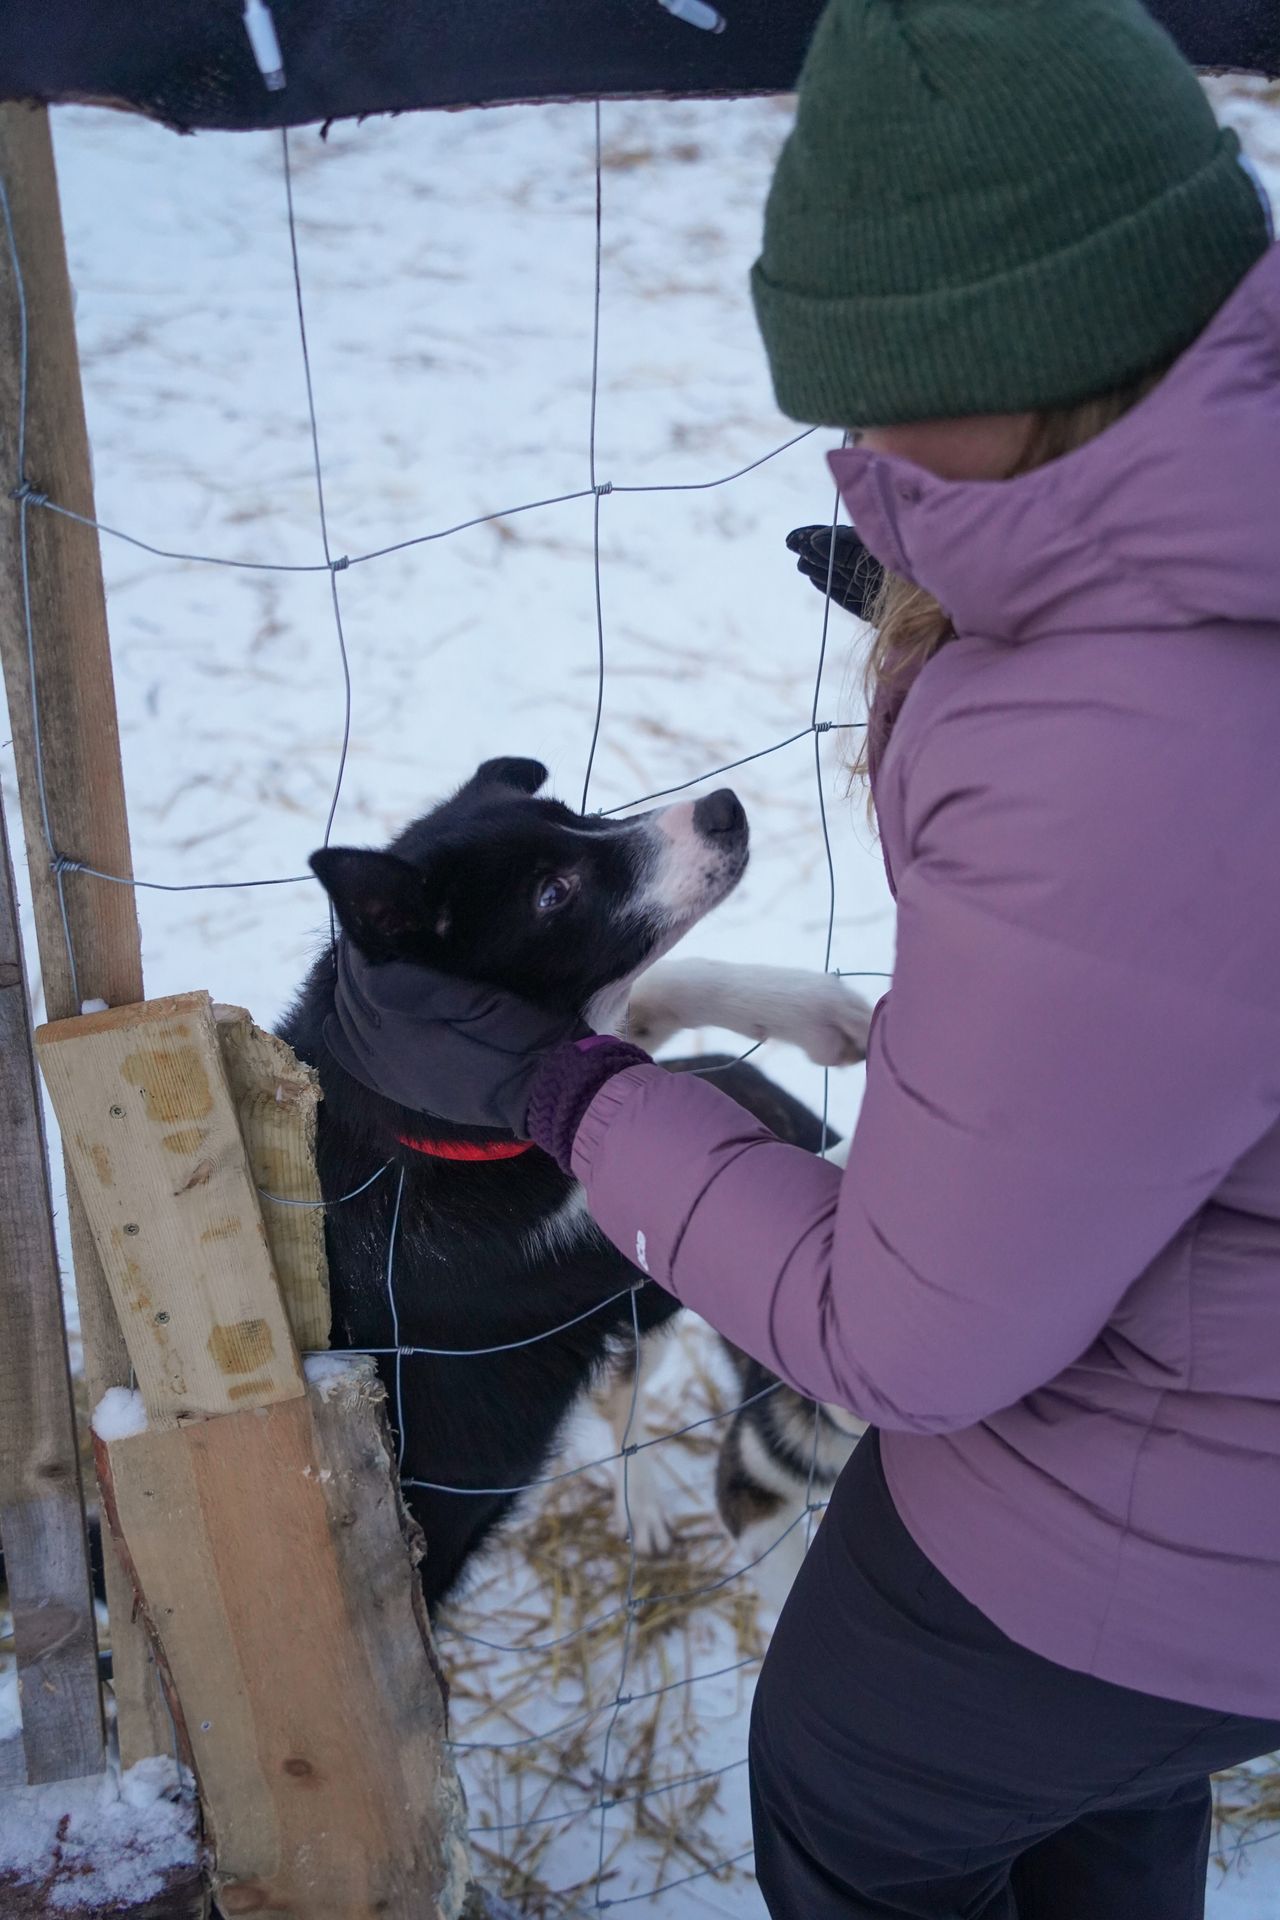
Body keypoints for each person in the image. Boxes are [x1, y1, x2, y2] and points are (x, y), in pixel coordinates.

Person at [326, 2, 1280, 1913]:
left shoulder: (1124, 753)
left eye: (876, 396)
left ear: (1013, 355)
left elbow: (902, 1336)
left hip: (1161, 1531)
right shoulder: (1194, 593)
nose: (851, 453)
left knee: (862, 1803)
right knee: (1095, 1791)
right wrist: (993, 601)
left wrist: (561, 1084)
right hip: (1213, 1453)